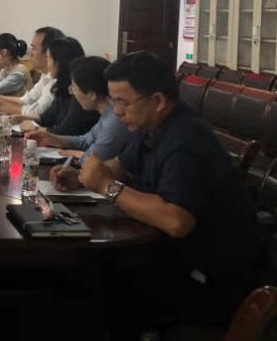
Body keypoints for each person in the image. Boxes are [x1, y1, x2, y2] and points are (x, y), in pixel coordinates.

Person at [50, 52, 261, 333]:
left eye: (123, 102)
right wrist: (81, 177)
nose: (117, 112)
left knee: (92, 291)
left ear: (158, 101)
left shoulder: (185, 140)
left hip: (206, 280)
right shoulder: (150, 125)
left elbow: (176, 221)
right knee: (79, 277)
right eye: (113, 102)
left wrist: (105, 187)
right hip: (166, 256)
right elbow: (121, 166)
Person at [25, 56, 131, 164]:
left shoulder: (115, 119)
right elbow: (85, 141)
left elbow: (93, 159)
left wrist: (78, 154)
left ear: (92, 94)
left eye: (74, 89)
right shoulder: (107, 114)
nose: (74, 95)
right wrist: (53, 139)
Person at [18, 37, 99, 135]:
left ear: (59, 63)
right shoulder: (61, 86)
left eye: (48, 59)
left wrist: (34, 128)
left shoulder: (78, 92)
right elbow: (46, 117)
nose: (47, 64)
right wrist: (20, 118)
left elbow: (64, 132)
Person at [0, 26, 64, 116]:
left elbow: (36, 112)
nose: (30, 53)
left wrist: (0, 104)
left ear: (49, 52)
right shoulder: (45, 75)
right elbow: (26, 100)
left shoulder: (57, 82)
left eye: (34, 48)